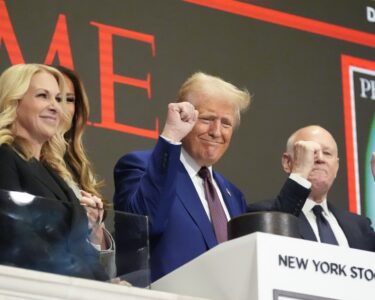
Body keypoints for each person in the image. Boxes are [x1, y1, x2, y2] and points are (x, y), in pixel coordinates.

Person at [113, 72, 305, 281]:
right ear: (184, 116)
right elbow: (143, 228)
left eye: (226, 123)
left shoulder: (233, 196)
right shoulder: (140, 166)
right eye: (207, 119)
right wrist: (171, 137)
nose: (216, 131)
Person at [0, 63, 108, 280]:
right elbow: (17, 235)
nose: (55, 107)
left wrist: (107, 284)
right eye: (43, 96)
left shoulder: (55, 173)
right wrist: (87, 278)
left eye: (58, 99)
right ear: (15, 101)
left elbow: (79, 246)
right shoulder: (4, 156)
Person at [252, 125, 375, 251]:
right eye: (311, 152)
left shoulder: (360, 226)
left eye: (327, 153)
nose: (320, 159)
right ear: (287, 162)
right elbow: (270, 247)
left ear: (337, 167)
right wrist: (300, 174)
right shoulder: (262, 214)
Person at [53, 65, 116, 278]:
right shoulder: (18, 158)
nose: (59, 107)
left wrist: (95, 229)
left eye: (69, 99)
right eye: (51, 97)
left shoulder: (79, 169)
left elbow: (106, 267)